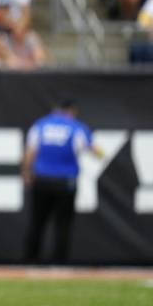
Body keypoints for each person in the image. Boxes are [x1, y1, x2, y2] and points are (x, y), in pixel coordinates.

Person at [22, 99, 103, 264]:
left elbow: (30, 151)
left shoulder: (41, 125)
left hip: (42, 179)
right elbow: (94, 150)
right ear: (71, 111)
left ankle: (31, 260)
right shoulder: (76, 127)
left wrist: (26, 172)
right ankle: (59, 262)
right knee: (63, 223)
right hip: (65, 181)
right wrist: (101, 153)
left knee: (38, 221)